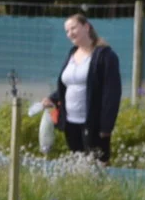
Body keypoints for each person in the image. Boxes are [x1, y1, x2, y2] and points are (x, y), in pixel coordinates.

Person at [43, 10, 122, 162]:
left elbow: (112, 93)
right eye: (67, 31)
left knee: (96, 165)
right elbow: (68, 84)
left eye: (73, 28)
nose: (70, 33)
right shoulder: (72, 53)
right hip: (71, 123)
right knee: (78, 164)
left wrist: (106, 127)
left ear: (86, 27)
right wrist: (52, 98)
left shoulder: (105, 55)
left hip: (94, 125)